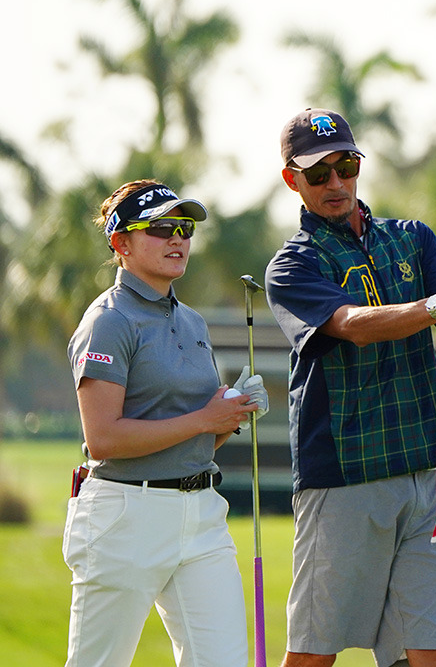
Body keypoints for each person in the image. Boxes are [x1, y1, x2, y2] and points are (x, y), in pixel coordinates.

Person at [265, 108, 436, 667]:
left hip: (427, 474)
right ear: (292, 180)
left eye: (346, 167)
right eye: (318, 173)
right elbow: (351, 325)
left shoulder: (412, 238)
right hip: (345, 477)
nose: (336, 183)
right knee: (313, 656)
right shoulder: (292, 265)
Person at [63, 179, 269, 667]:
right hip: (125, 516)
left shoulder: (193, 322)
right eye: (159, 229)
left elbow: (197, 440)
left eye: (184, 228)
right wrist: (204, 418)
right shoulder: (109, 321)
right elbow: (103, 438)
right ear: (121, 242)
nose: (177, 238)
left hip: (201, 514)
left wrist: (231, 415)